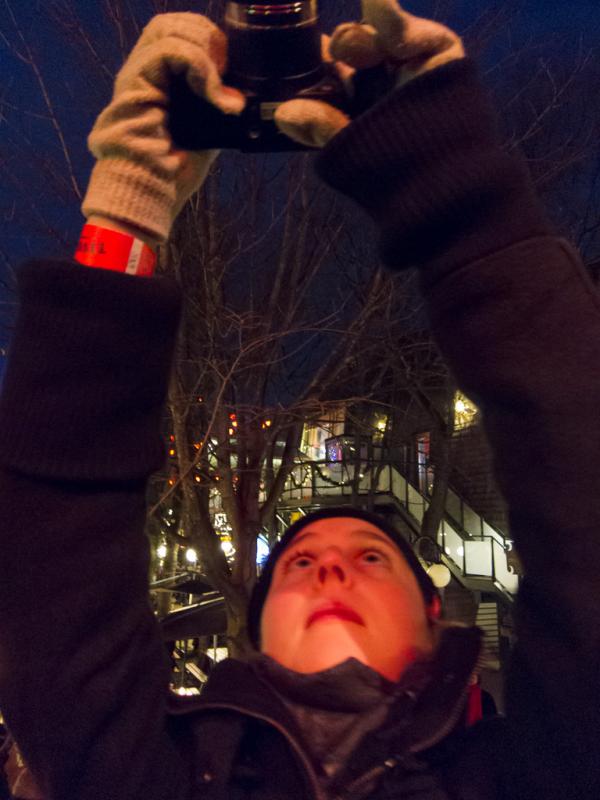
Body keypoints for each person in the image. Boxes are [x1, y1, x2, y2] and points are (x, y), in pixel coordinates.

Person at [0, 1, 599, 798]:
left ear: (436, 614)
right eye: (301, 564)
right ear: (255, 632)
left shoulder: (545, 767)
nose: (331, 571)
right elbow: (63, 594)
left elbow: (578, 478)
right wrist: (130, 197)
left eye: (372, 558)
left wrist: (454, 177)